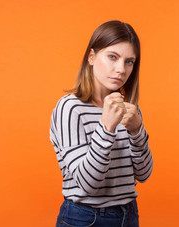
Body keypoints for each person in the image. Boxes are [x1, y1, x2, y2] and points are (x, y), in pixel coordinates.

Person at [49, 20, 153, 227]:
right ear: (92, 56)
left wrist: (136, 131)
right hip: (85, 218)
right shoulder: (70, 108)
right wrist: (106, 128)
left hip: (129, 214)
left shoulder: (129, 108)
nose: (121, 69)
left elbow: (144, 174)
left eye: (129, 61)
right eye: (112, 57)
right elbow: (87, 185)